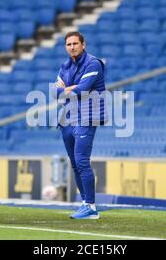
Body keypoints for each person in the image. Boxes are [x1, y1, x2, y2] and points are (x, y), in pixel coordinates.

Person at [54, 31, 106, 219]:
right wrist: (68, 90)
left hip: (87, 117)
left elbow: (83, 90)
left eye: (75, 43)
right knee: (75, 163)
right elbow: (54, 92)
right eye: (69, 44)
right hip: (68, 118)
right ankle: (85, 203)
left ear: (83, 45)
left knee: (82, 161)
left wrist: (66, 89)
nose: (72, 47)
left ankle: (91, 207)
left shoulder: (93, 63)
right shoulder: (65, 66)